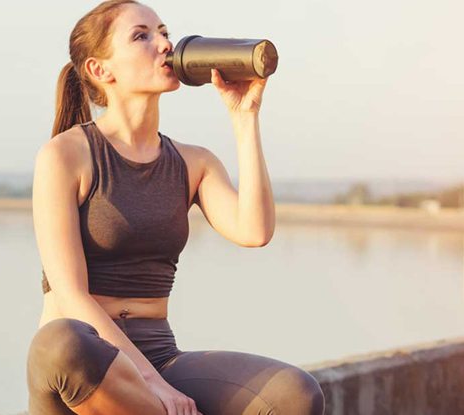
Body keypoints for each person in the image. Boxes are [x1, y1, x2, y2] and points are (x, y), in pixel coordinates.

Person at [25, 1, 325, 414]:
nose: (165, 43)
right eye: (141, 35)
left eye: (164, 31)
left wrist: (244, 118)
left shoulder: (192, 163)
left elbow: (254, 231)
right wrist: (152, 388)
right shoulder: (65, 156)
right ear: (100, 70)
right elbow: (70, 293)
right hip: (86, 364)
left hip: (160, 354)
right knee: (63, 341)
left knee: (295, 392)